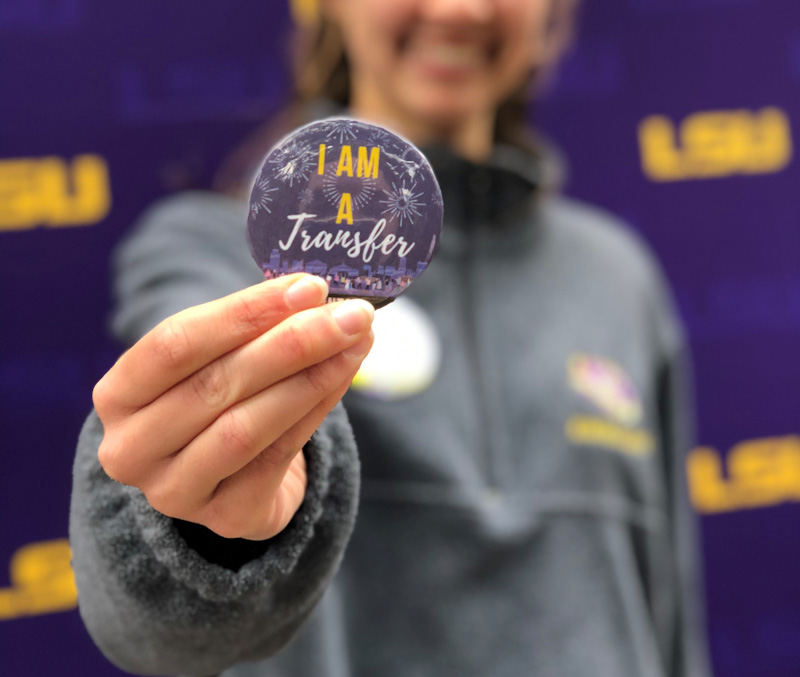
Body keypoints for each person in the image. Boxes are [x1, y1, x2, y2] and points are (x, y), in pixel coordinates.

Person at [70, 1, 712, 676]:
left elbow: (669, 603)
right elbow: (159, 629)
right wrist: (205, 518)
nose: (457, 9)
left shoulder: (617, 272)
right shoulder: (218, 256)